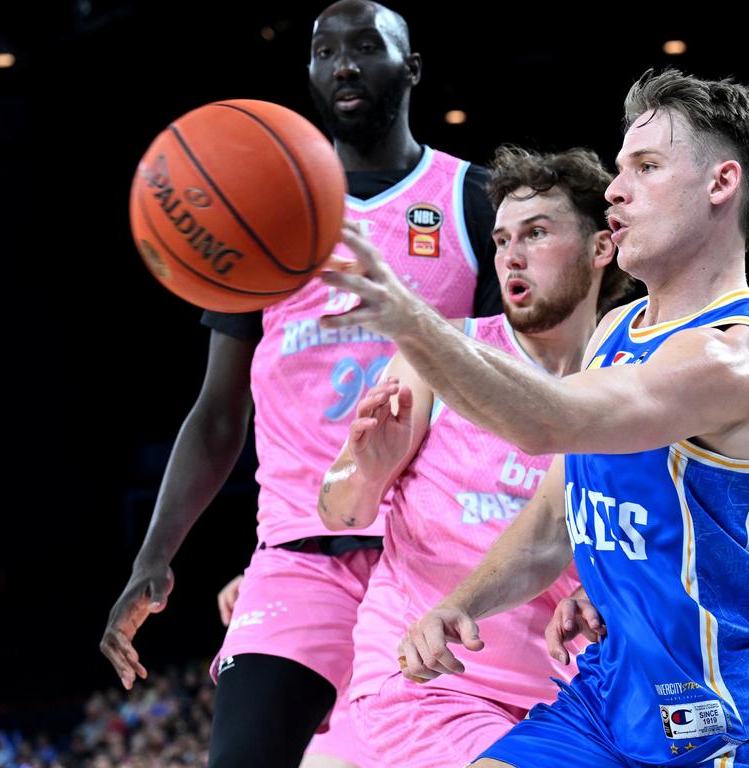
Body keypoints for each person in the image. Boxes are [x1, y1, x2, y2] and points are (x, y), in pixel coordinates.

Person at [317, 67, 749, 767]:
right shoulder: (616, 329)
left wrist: (409, 319)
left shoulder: (737, 362)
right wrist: (464, 602)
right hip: (608, 693)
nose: (616, 189)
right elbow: (556, 517)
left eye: (645, 166)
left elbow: (549, 423)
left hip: (718, 712)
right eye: (619, 170)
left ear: (721, 184)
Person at [99, 2, 500, 767]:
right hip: (297, 551)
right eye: (322, 52)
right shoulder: (258, 211)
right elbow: (219, 414)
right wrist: (154, 555)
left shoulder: (472, 201)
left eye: (364, 47)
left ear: (411, 66)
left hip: (428, 550)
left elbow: (509, 396)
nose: (342, 64)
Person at [316, 145, 629, 766]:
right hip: (428, 680)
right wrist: (367, 466)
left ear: (601, 248)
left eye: (536, 234)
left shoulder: (627, 379)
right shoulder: (443, 352)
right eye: (501, 239)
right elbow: (342, 514)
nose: (510, 254)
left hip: (570, 696)